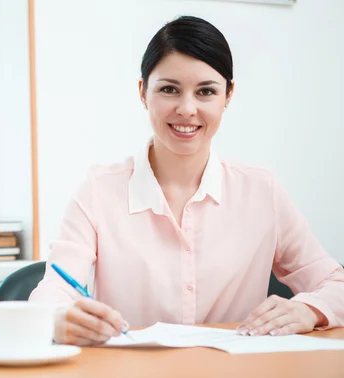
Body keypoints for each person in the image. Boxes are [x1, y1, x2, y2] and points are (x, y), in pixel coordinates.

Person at [28, 15, 344, 346]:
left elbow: (335, 284)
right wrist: (56, 319)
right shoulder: (99, 190)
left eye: (206, 91)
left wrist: (310, 310)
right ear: (143, 92)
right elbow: (55, 290)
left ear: (228, 96)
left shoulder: (261, 191)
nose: (187, 109)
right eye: (169, 89)